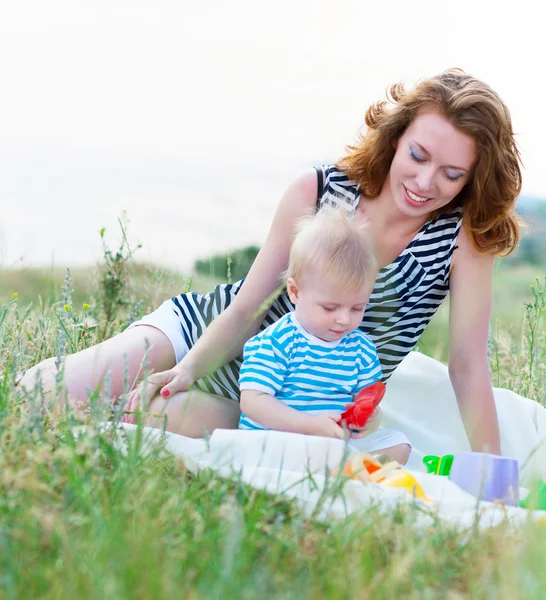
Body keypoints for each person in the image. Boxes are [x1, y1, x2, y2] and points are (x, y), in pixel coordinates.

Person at [19, 69, 522, 465]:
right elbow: (243, 309)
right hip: (207, 335)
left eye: (452, 173)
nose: (425, 181)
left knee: (130, 421)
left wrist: (492, 467)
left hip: (289, 404)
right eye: (417, 154)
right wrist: (186, 368)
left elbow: (467, 364)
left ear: (473, 177)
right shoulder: (319, 191)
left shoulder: (463, 239)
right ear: (396, 137)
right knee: (42, 393)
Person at [237, 205, 400, 451]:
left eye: (357, 308)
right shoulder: (277, 341)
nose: (344, 319)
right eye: (330, 308)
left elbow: (366, 401)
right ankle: (343, 472)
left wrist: (370, 420)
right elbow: (252, 402)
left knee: (398, 444)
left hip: (332, 443)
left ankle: (348, 470)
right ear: (295, 292)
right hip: (278, 440)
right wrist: (310, 425)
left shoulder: (361, 350)